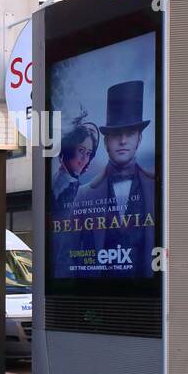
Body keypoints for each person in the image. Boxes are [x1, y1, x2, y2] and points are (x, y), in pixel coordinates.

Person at [74, 81, 157, 279]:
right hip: (98, 300)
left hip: (149, 299)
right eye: (116, 134)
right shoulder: (84, 194)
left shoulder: (159, 188)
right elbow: (65, 259)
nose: (122, 141)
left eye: (130, 133)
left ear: (140, 139)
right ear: (106, 142)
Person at [49, 117, 100, 275]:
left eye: (89, 153)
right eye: (81, 151)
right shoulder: (66, 188)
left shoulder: (62, 180)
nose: (84, 159)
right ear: (69, 150)